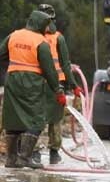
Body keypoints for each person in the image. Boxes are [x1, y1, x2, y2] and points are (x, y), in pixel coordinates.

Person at [0, 10, 65, 169]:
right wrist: (58, 91)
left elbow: (1, 54)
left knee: (12, 118)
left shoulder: (13, 35)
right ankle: (25, 158)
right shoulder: (41, 42)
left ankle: (11, 159)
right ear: (39, 24)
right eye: (46, 25)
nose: (47, 28)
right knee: (37, 119)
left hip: (12, 80)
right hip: (32, 84)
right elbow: (50, 70)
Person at [38, 4, 81, 165]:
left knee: (35, 116)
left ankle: (32, 153)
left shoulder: (30, 37)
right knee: (55, 118)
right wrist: (74, 85)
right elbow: (65, 65)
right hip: (56, 84)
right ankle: (54, 153)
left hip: (36, 83)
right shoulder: (58, 38)